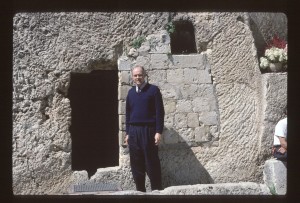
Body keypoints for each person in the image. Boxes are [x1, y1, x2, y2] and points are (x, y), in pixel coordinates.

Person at [125, 65, 165, 192]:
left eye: (140, 75)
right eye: (135, 75)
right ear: (132, 77)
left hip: (149, 131)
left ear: (144, 75)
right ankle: (140, 192)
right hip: (134, 131)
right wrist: (127, 133)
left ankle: (156, 191)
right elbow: (128, 114)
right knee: (136, 164)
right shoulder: (130, 93)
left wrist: (158, 131)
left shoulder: (153, 90)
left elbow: (160, 112)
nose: (138, 78)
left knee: (151, 162)